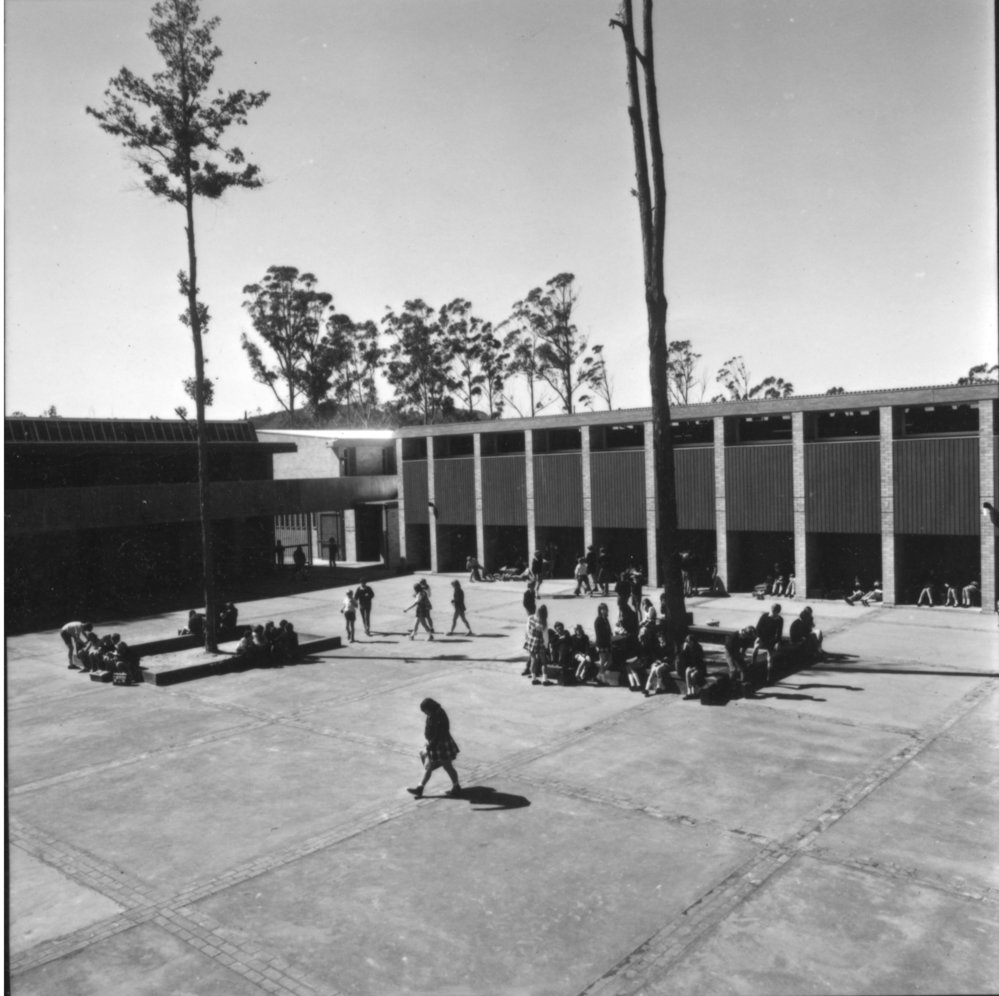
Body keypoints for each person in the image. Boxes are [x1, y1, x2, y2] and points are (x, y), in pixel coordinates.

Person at [407, 698, 462, 799]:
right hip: (434, 744)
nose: (424, 713)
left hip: (440, 745)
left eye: (425, 711)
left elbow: (440, 732)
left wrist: (431, 744)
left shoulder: (439, 715)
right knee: (429, 767)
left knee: (447, 766)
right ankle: (420, 787)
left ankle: (456, 786)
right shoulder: (432, 714)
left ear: (429, 708)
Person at [752, 603, 784, 682]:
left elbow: (779, 632)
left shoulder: (780, 619)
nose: (773, 614)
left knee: (770, 657)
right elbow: (758, 627)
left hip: (771, 638)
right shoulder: (765, 616)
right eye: (772, 612)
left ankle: (769, 676)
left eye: (775, 612)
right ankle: (753, 663)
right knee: (756, 647)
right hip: (762, 636)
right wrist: (758, 637)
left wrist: (778, 642)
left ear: (778, 612)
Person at [524, 604, 549, 684]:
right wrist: (546, 645)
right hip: (540, 642)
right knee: (543, 662)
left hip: (531, 641)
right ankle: (545, 679)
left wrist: (528, 638)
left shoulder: (530, 617)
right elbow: (545, 636)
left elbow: (527, 629)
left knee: (533, 660)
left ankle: (533, 678)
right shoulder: (544, 622)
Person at [678, 633, 707, 699]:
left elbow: (701, 661)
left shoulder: (698, 648)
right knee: (687, 670)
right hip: (692, 667)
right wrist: (683, 650)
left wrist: (695, 668)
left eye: (690, 642)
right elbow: (682, 659)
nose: (689, 643)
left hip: (700, 668)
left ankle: (694, 692)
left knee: (692, 675)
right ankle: (689, 692)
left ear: (693, 641)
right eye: (687, 642)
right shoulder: (687, 648)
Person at [593, 603, 613, 684]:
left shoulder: (606, 619)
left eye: (605, 609)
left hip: (607, 642)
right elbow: (599, 633)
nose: (604, 611)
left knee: (610, 661)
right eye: (602, 609)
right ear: (600, 610)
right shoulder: (598, 620)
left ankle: (599, 676)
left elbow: (609, 631)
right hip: (601, 643)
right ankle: (600, 677)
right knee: (603, 660)